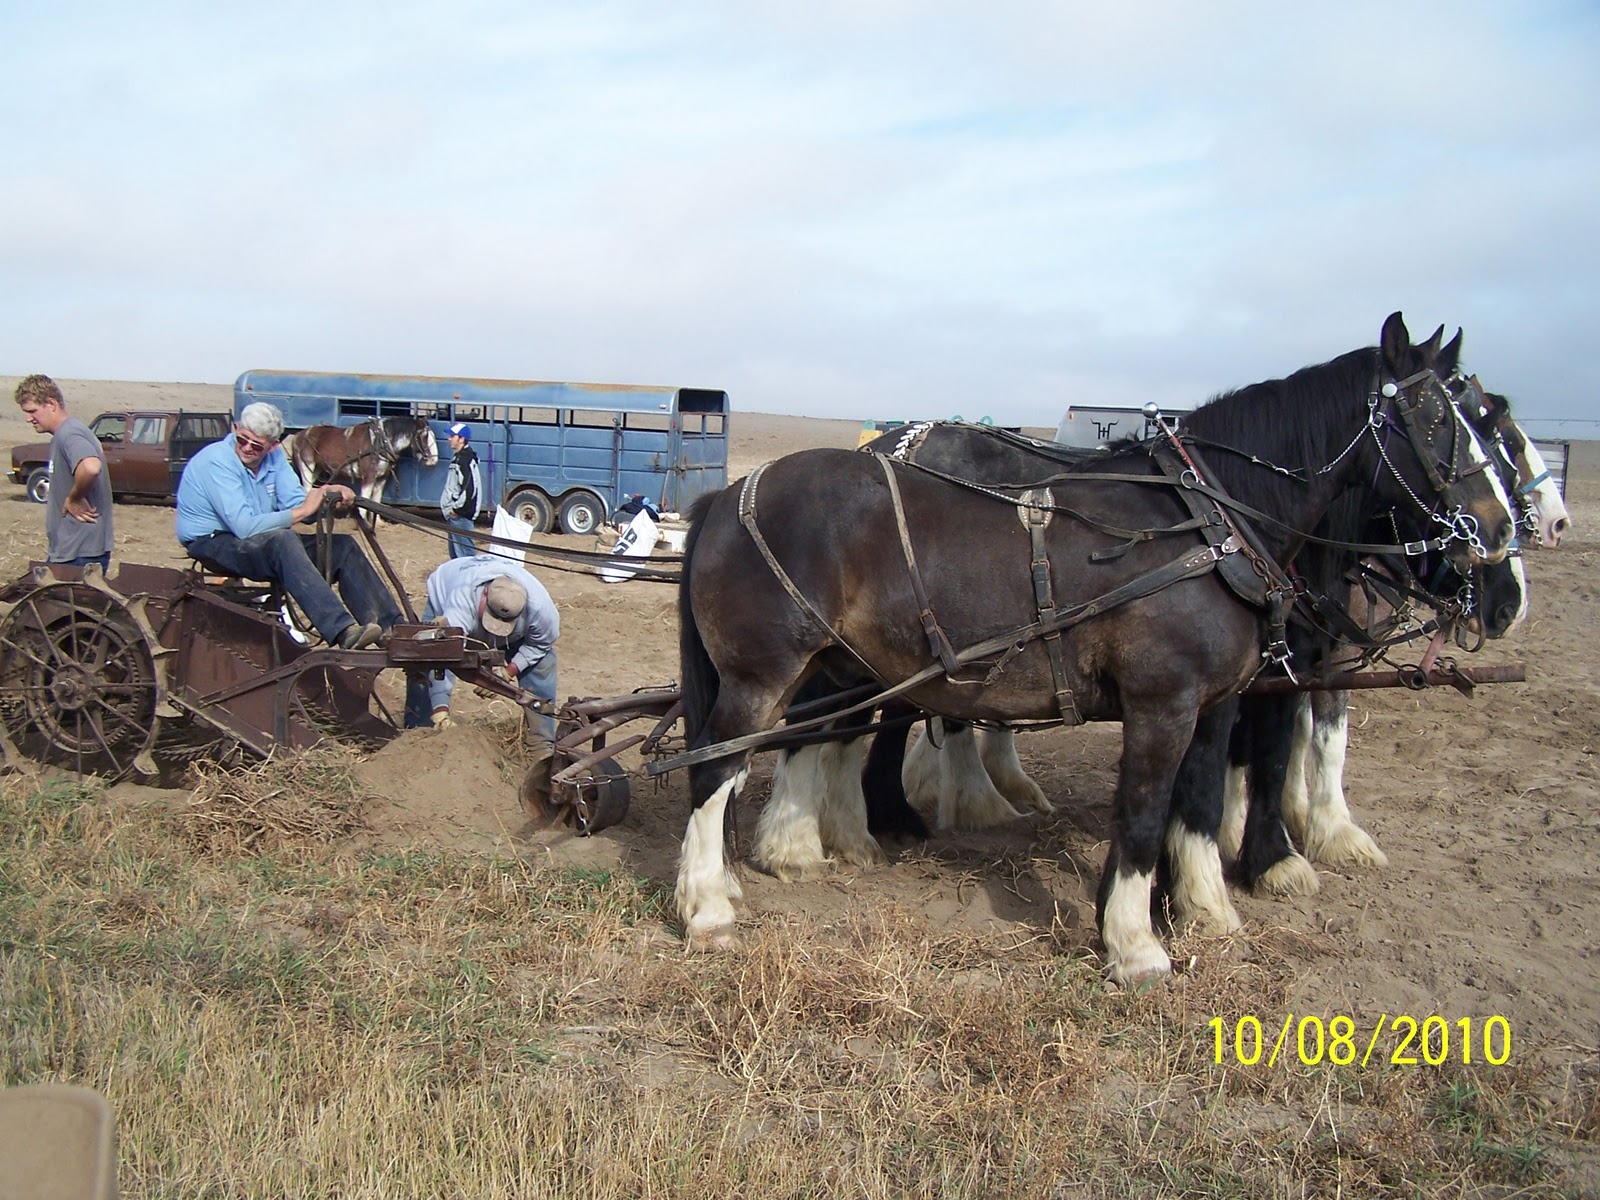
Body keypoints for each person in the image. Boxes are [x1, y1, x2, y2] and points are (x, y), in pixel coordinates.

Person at [175, 401, 399, 650]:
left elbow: (298, 504)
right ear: (236, 429)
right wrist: (305, 509)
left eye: (257, 446)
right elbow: (245, 527)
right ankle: (342, 630)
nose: (247, 448)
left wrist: (329, 500)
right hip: (213, 542)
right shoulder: (217, 461)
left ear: (272, 446)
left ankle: (393, 630)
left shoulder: (275, 460)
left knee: (343, 547)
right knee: (284, 540)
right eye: (242, 440)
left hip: (259, 540)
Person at [403, 555, 559, 745]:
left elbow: (539, 645)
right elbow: (442, 659)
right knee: (422, 658)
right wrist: (440, 709)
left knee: (544, 663)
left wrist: (508, 672)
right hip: (448, 595)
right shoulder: (462, 602)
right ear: (484, 594)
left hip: (515, 635)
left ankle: (541, 744)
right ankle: (417, 736)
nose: (495, 628)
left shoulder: (542, 611)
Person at [12, 375, 114, 569]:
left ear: (51, 403)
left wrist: (74, 498)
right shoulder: (65, 434)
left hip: (78, 552)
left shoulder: (70, 433)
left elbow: (91, 467)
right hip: (73, 548)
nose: (28, 419)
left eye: (32, 411)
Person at [440, 421, 483, 559]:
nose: (449, 439)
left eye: (452, 436)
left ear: (461, 439)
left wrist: (457, 510)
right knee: (457, 558)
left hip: (460, 517)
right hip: (455, 516)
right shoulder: (458, 458)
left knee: (465, 558)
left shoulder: (465, 460)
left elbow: (470, 489)